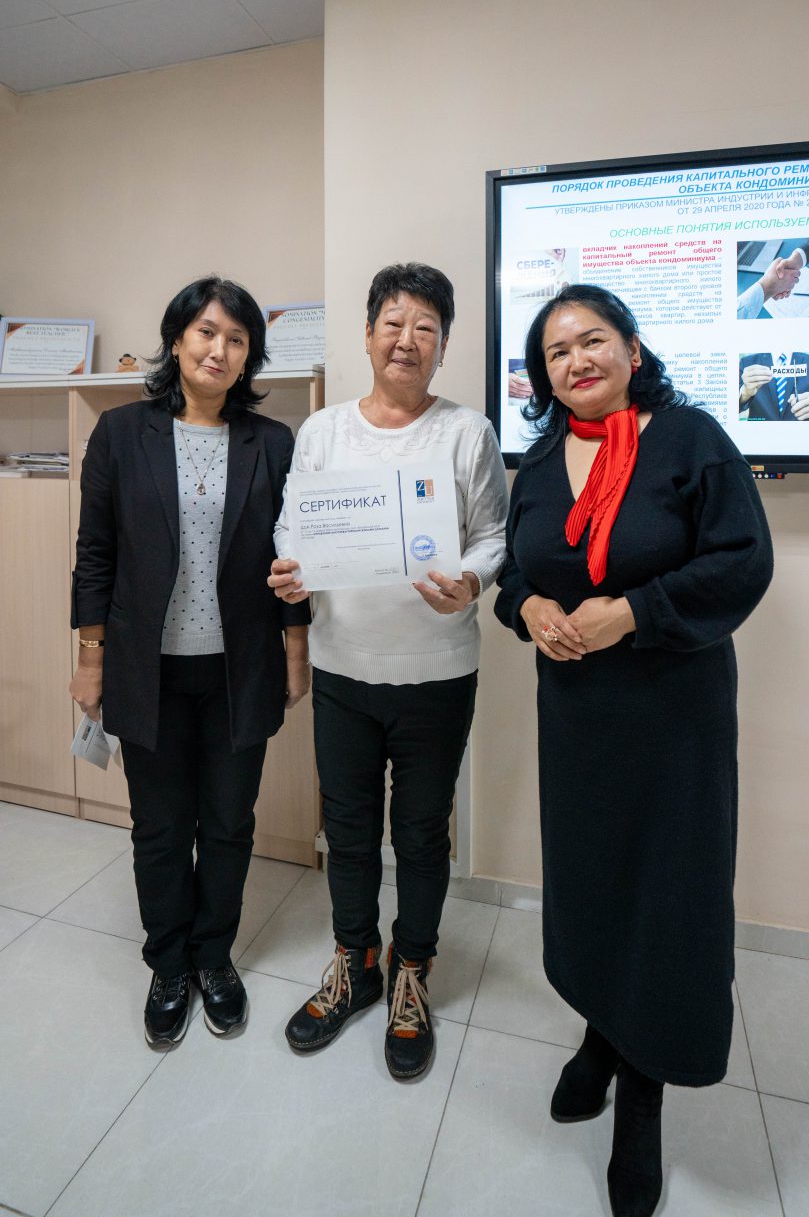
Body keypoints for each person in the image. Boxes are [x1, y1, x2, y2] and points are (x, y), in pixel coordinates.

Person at [494, 284, 772, 1217]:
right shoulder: (539, 463)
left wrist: (635, 612)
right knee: (593, 888)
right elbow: (516, 575)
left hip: (675, 720)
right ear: (543, 377)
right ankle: (602, 1035)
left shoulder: (692, 441)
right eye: (557, 351)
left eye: (593, 340)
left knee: (667, 896)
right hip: (578, 723)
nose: (577, 360)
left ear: (633, 349)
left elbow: (743, 559)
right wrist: (530, 606)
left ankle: (641, 1097)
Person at [269, 262, 508, 1080]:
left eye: (426, 328)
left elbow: (493, 536)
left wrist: (471, 579)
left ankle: (413, 971)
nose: (408, 340)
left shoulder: (467, 433)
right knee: (348, 830)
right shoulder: (323, 431)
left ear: (443, 345)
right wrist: (290, 568)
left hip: (438, 672)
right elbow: (292, 527)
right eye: (394, 323)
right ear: (368, 335)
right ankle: (355, 963)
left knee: (421, 832)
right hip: (343, 668)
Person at [69, 276, 310, 1050]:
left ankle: (214, 956)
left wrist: (296, 647)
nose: (219, 350)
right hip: (148, 669)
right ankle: (168, 963)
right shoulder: (120, 433)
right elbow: (96, 554)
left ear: (248, 357)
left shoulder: (273, 443)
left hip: (241, 669)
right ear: (177, 340)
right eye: (207, 332)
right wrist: (90, 659)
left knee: (230, 823)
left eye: (237, 339)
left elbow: (291, 558)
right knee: (162, 827)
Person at [739, 350, 809, 420]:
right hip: (759, 437)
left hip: (804, 438)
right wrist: (745, 393)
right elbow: (732, 408)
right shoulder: (747, 362)